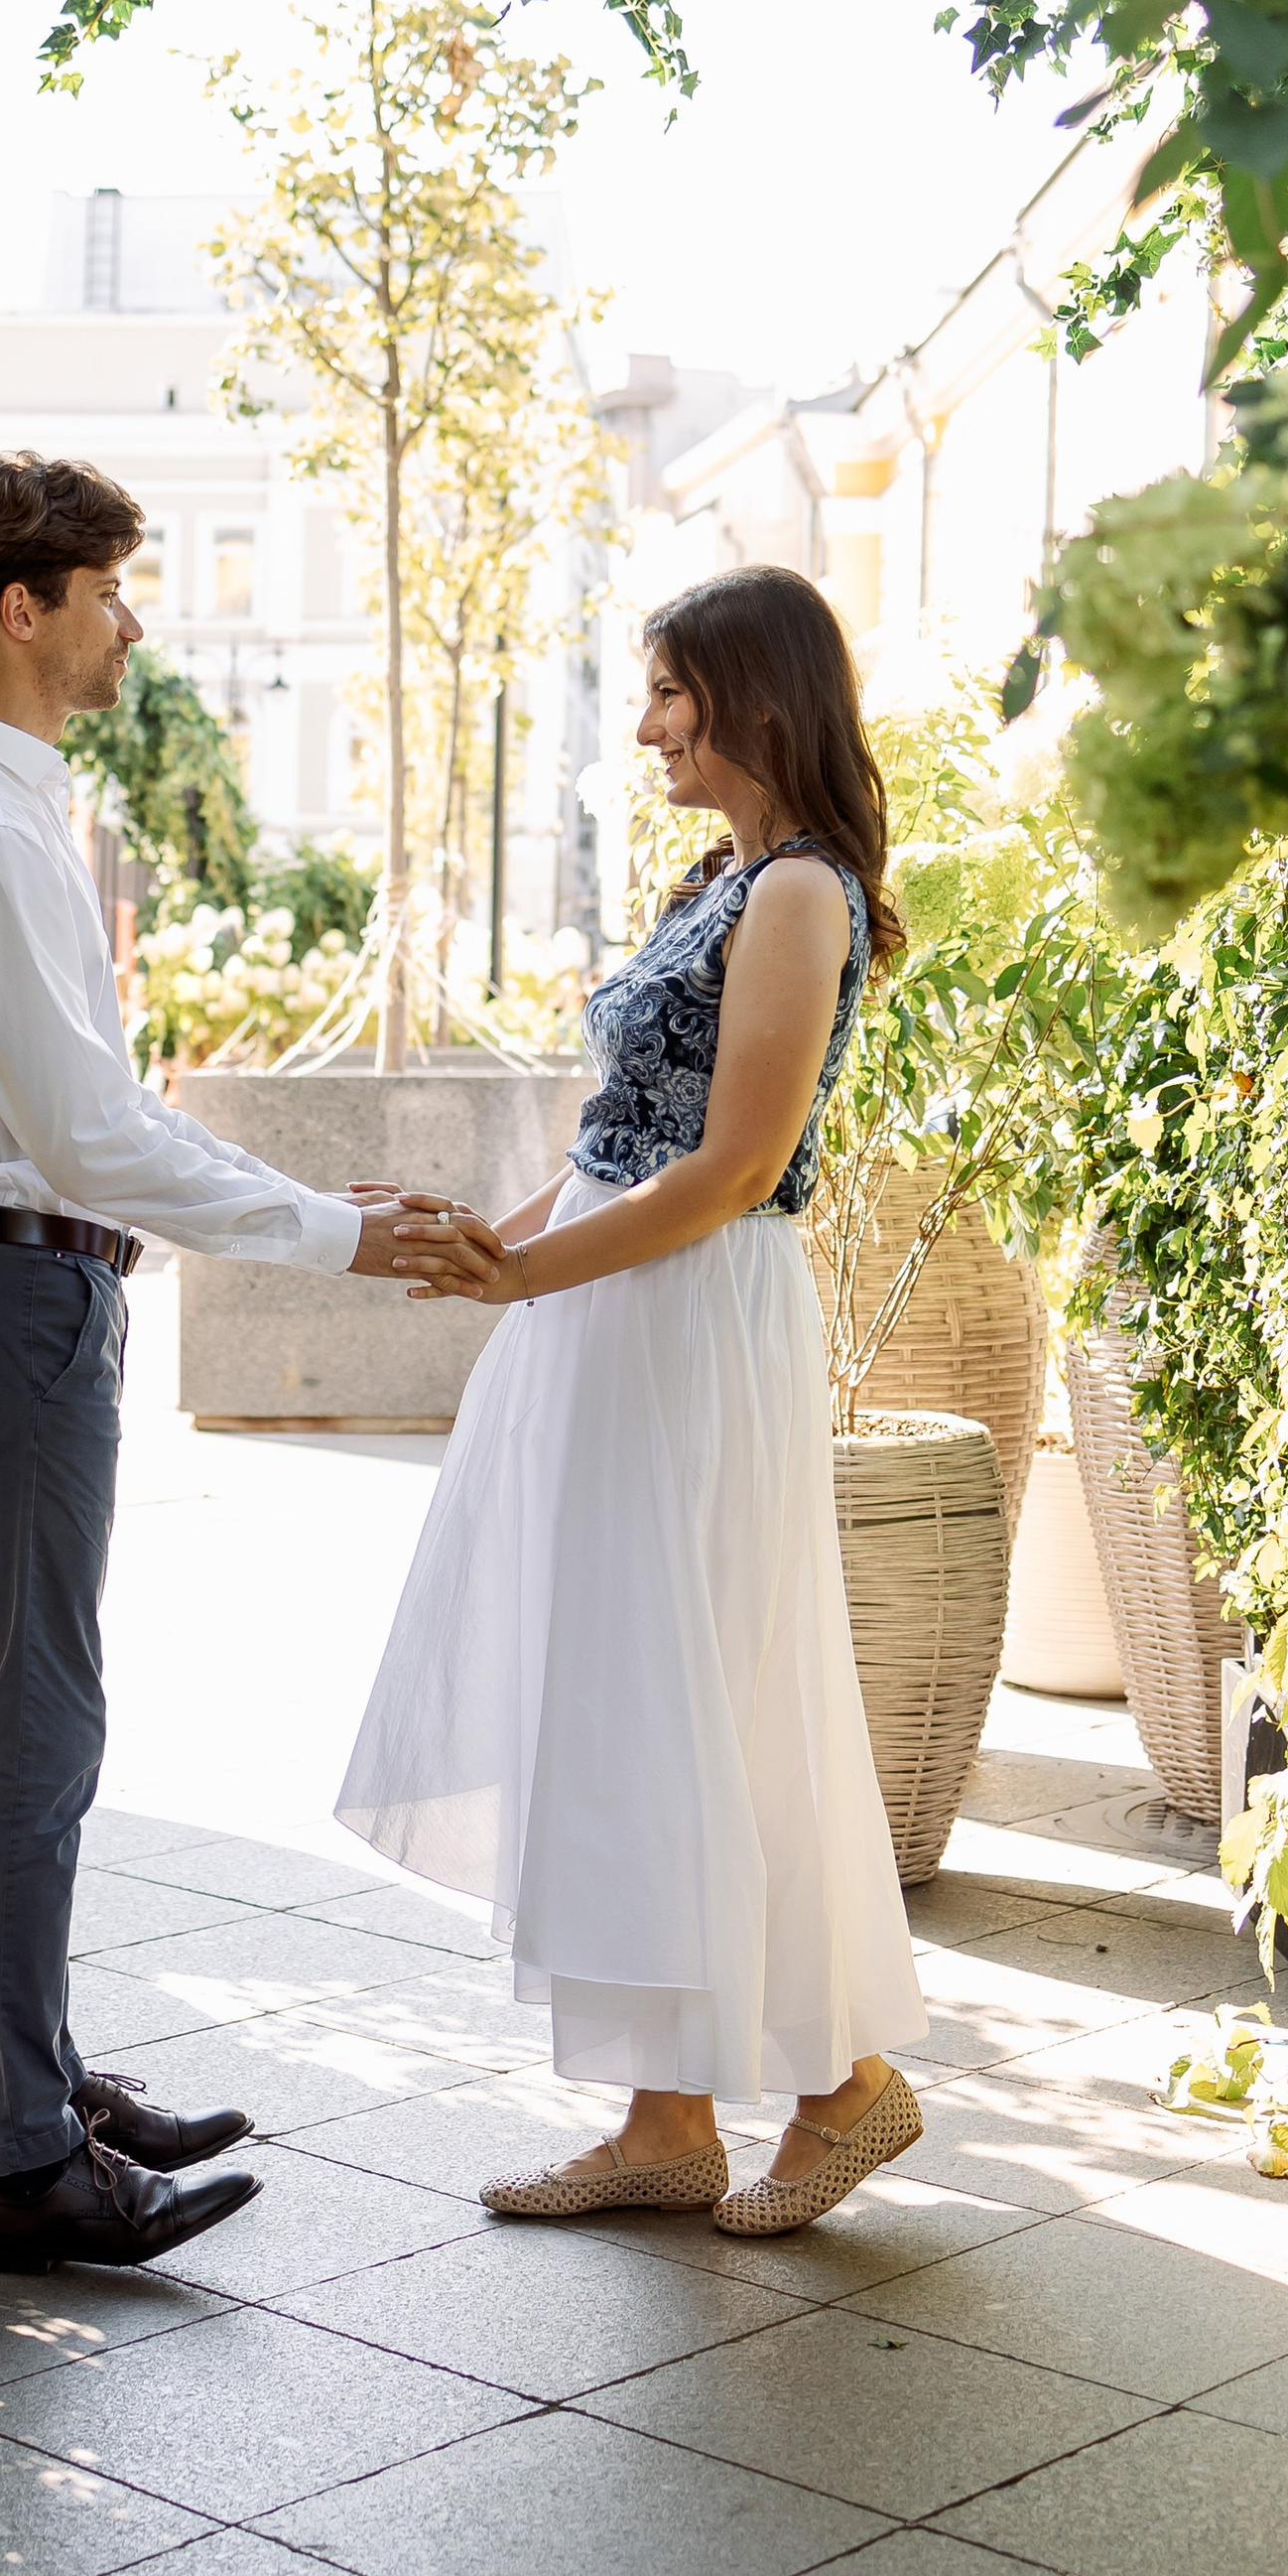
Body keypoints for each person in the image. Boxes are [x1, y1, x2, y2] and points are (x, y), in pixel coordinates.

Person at [0, 452, 481, 2279]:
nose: (134, 618)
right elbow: (83, 1134)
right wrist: (332, 1229)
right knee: (39, 1729)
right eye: (111, 588)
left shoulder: (5, 809)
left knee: (43, 1716)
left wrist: (306, 1198)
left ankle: (43, 2088)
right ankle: (26, 2163)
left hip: (29, 1290)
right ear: (20, 609)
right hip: (16, 1289)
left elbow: (96, 1116)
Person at [339, 565, 932, 2235]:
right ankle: (665, 2116)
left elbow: (740, 1167)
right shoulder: (716, 878)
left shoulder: (801, 892)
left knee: (718, 1693)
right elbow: (615, 1135)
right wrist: (488, 1242)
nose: (651, 721)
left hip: (692, 1320)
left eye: (672, 690)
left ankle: (848, 2083)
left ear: (752, 697)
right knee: (618, 1700)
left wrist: (534, 1274)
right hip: (613, 1307)